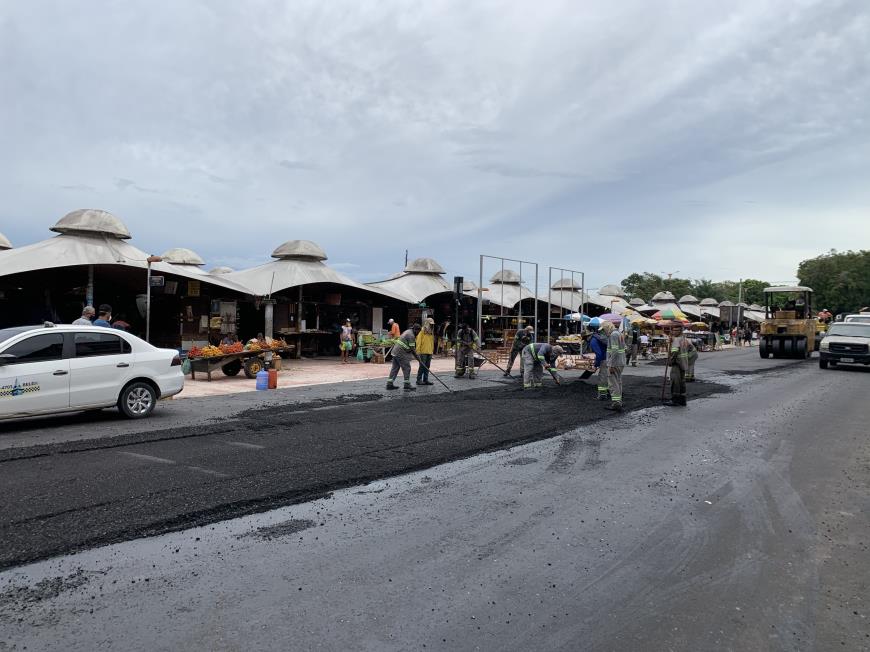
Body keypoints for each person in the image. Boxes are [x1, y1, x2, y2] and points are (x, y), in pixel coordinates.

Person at [667, 324, 697, 406]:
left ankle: (675, 400)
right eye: (674, 330)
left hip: (676, 364)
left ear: (680, 331)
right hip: (683, 364)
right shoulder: (684, 339)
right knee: (682, 382)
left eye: (677, 330)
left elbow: (674, 352)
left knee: (675, 382)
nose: (674, 332)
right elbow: (694, 352)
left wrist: (670, 362)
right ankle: (682, 400)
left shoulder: (676, 340)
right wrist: (687, 360)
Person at [386, 323, 421, 391]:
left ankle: (389, 384)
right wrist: (419, 359)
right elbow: (412, 349)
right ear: (415, 329)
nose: (418, 333)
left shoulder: (408, 331)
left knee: (395, 368)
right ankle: (407, 384)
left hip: (395, 352)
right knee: (407, 368)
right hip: (400, 353)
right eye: (418, 331)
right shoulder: (411, 335)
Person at [601, 321, 626, 411]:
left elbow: (614, 351)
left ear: (607, 327)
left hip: (615, 363)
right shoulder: (619, 333)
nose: (603, 332)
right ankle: (618, 402)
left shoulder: (613, 335)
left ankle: (616, 403)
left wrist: (611, 364)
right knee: (618, 382)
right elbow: (623, 348)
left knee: (613, 383)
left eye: (603, 329)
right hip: (620, 362)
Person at [586, 318, 609, 400]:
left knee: (602, 377)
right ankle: (608, 392)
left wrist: (596, 366)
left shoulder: (593, 340)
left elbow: (599, 354)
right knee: (607, 376)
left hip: (605, 359)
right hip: (610, 358)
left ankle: (603, 395)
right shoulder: (600, 336)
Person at [415, 318, 436, 385]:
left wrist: (432, 351)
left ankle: (425, 379)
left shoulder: (431, 332)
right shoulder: (422, 331)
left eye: (432, 324)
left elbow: (431, 342)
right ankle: (419, 380)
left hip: (429, 352)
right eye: (430, 324)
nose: (432, 325)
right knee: (422, 366)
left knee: (427, 366)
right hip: (423, 352)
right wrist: (418, 352)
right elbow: (418, 341)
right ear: (427, 323)